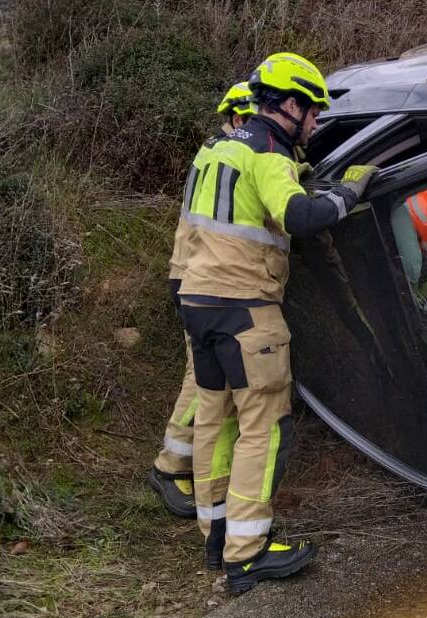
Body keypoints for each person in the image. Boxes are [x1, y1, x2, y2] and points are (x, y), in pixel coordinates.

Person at [175, 52, 376, 593]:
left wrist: (296, 176)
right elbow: (300, 218)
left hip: (199, 301)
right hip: (246, 309)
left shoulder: (220, 148)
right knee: (264, 428)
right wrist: (346, 193)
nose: (314, 123)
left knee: (217, 422)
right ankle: (248, 554)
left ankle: (218, 540)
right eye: (312, 112)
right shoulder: (268, 151)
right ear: (289, 105)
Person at [147, 81, 257, 521]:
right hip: (197, 278)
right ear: (233, 118)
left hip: (192, 275)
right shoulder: (225, 157)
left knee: (206, 376)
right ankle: (170, 466)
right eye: (247, 120)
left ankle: (192, 463)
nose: (254, 128)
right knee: (200, 377)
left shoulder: (215, 151)